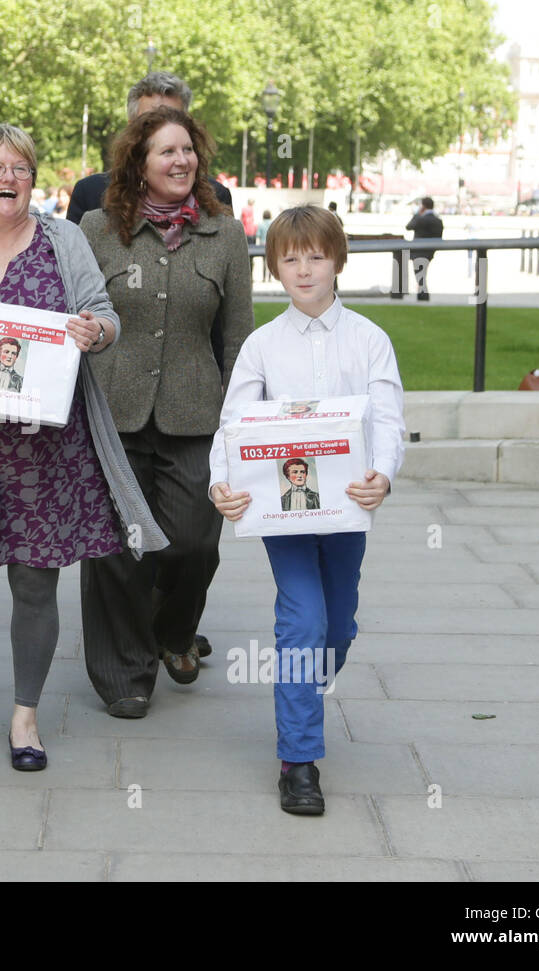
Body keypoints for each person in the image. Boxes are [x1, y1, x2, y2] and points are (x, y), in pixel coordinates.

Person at [0, 123, 166, 777]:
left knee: (34, 582)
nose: (8, 176)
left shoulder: (63, 239)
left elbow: (104, 312)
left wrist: (95, 329)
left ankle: (25, 715)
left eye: (20, 166)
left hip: (47, 447)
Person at [209, 205, 404, 815]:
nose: (303, 269)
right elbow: (234, 424)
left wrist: (384, 474)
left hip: (346, 511)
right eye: (289, 258)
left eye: (315, 255)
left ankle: (304, 688)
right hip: (284, 516)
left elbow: (390, 418)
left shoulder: (370, 340)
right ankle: (299, 761)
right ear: (273, 267)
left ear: (337, 259)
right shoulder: (261, 347)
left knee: (337, 626)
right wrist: (222, 482)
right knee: (302, 622)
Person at [78, 106, 254, 718]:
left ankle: (174, 633)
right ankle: (123, 672)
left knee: (192, 543)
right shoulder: (97, 229)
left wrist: (241, 422)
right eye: (166, 152)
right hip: (111, 413)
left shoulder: (225, 234)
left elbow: (238, 339)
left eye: (188, 151)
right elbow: (71, 316)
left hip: (196, 414)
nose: (181, 162)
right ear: (139, 163)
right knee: (117, 549)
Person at [66, 72, 233, 227]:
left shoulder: (216, 196)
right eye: (150, 122)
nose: (164, 127)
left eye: (174, 119)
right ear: (131, 129)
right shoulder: (90, 194)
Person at [405, 196, 443, 301]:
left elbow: (409, 226)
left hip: (418, 252)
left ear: (423, 206)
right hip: (430, 252)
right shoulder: (438, 220)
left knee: (419, 276)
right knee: (422, 275)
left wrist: (417, 214)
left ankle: (423, 296)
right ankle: (422, 295)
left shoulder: (421, 219)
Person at [257, 209, 274, 281]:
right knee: (270, 261)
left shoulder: (260, 224)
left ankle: (263, 278)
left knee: (264, 261)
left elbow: (258, 235)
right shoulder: (273, 223)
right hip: (271, 244)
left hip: (262, 245)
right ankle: (269, 278)